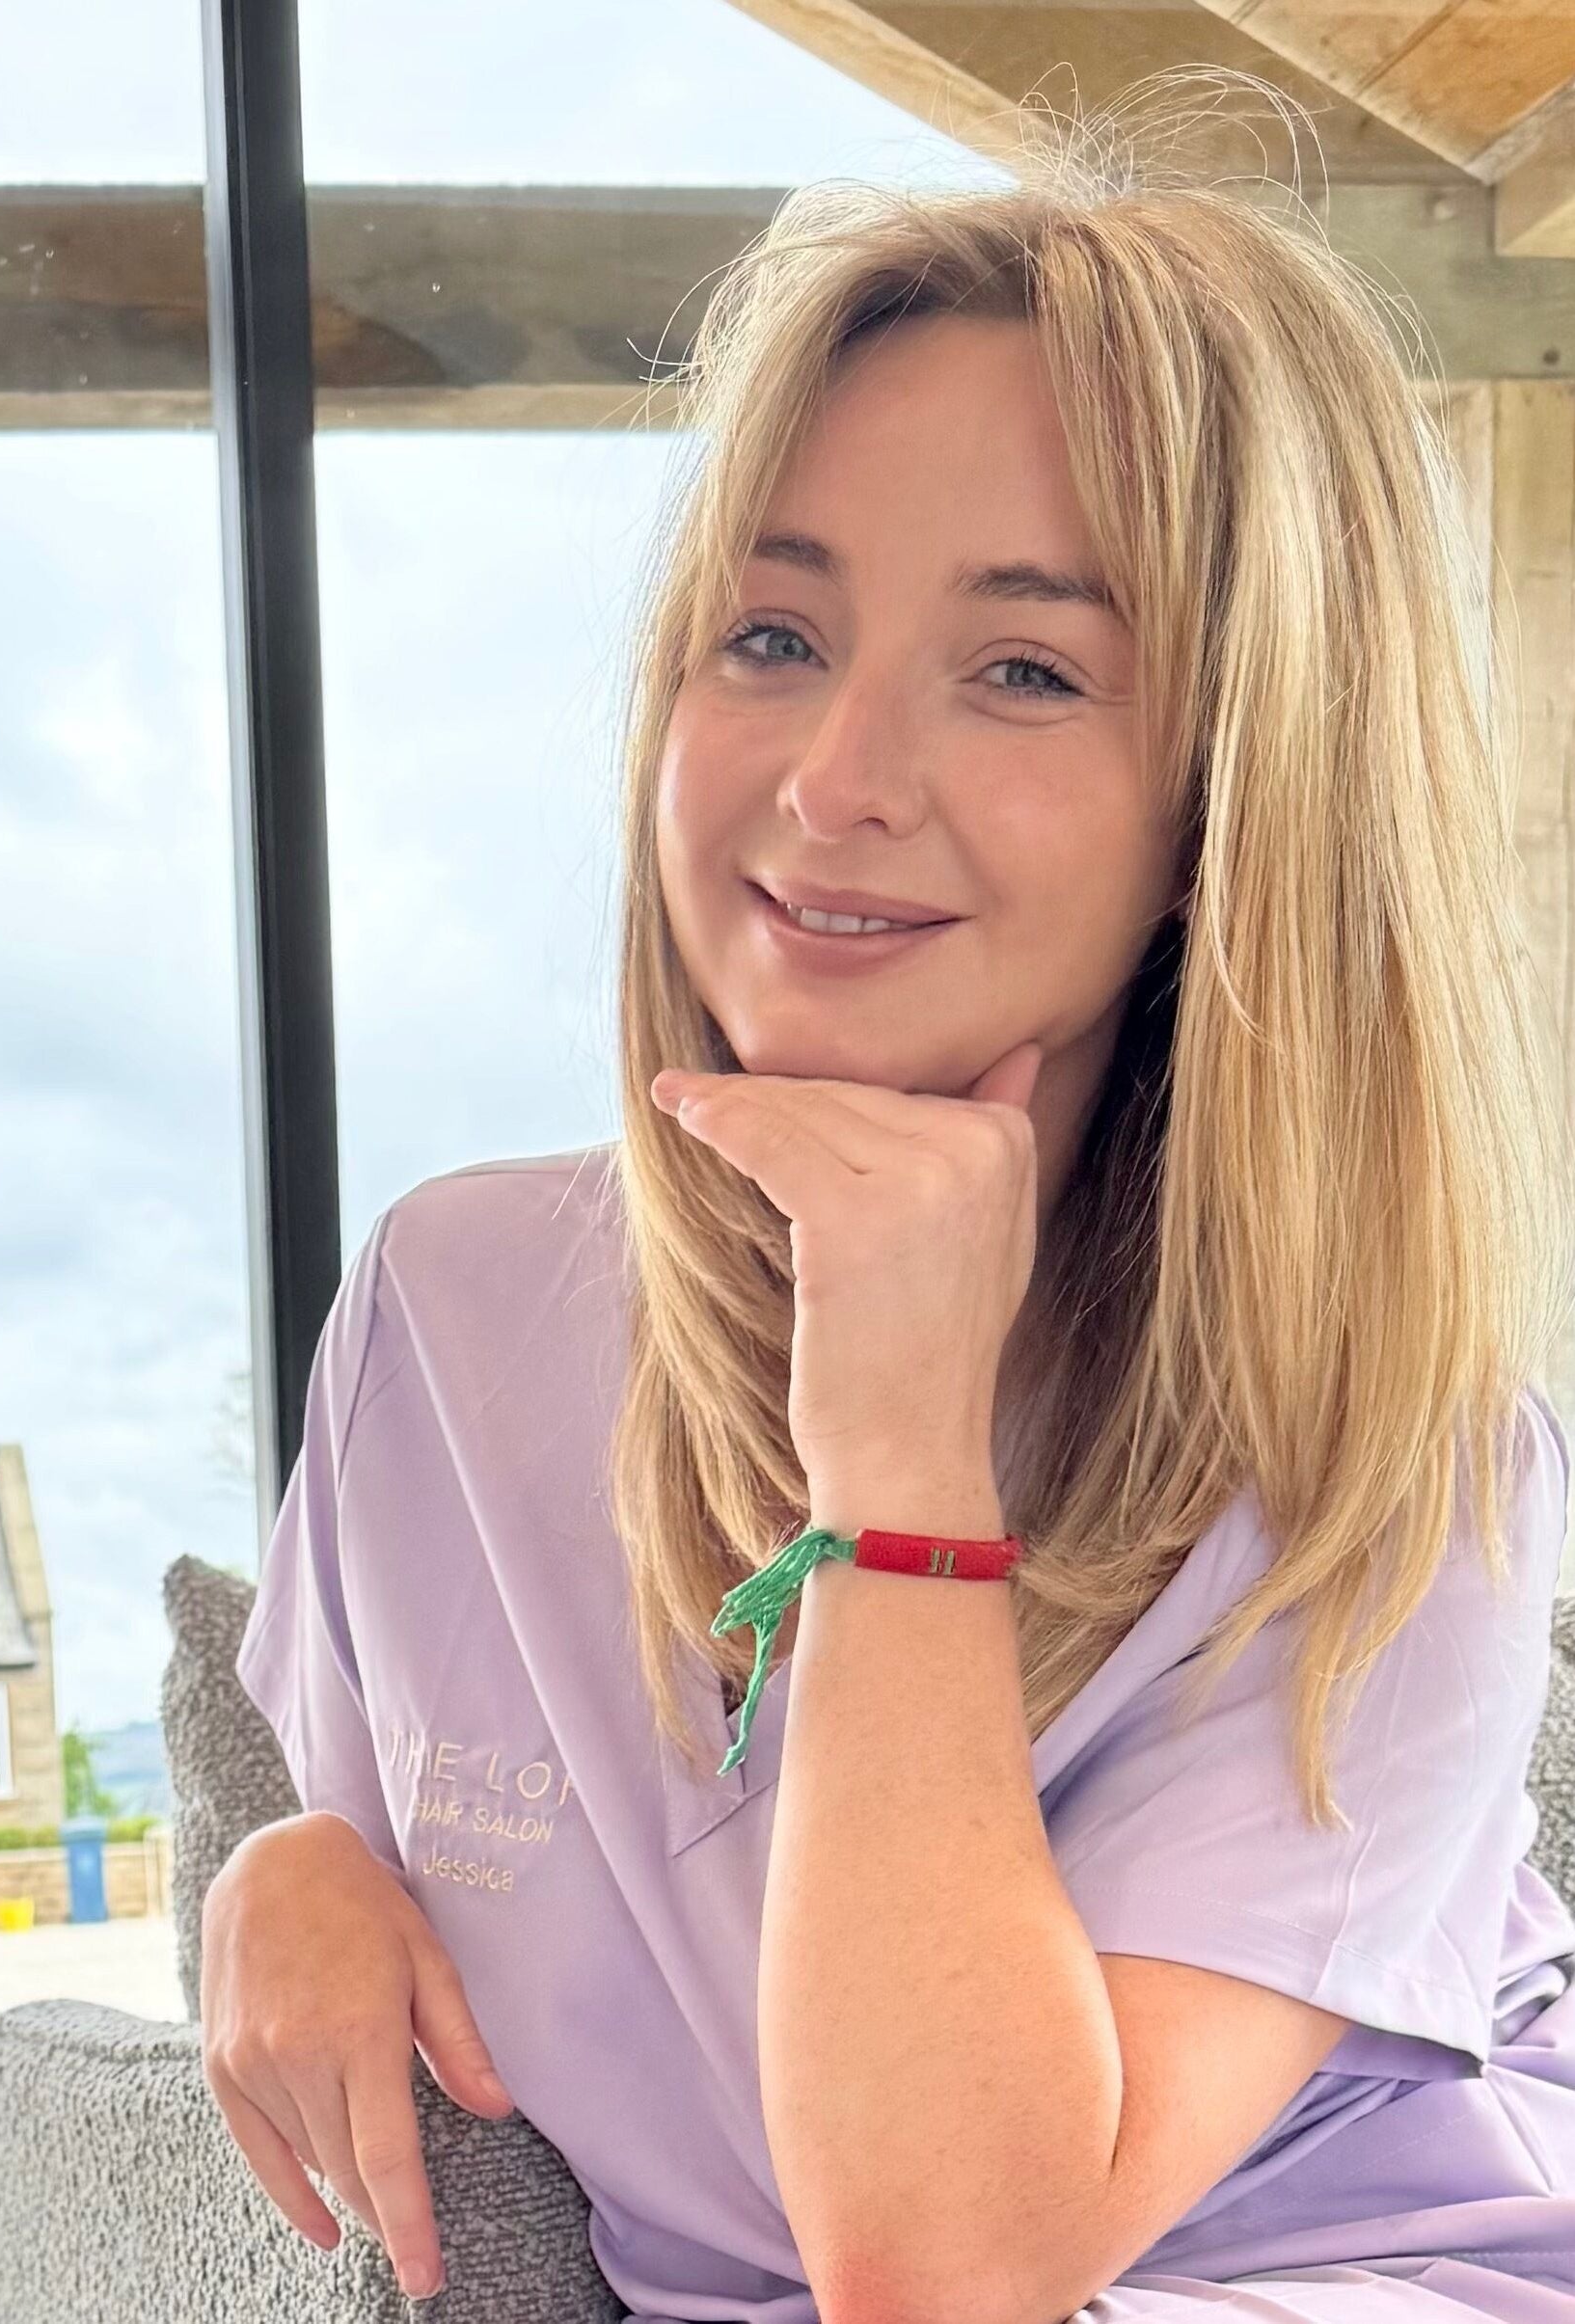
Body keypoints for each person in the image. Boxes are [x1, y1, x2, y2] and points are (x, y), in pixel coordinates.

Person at [207, 80, 1575, 2324]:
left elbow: (949, 2265)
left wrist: (902, 1461)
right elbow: (358, 1793)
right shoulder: (454, 1317)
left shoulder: (1388, 1467)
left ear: (1236, 800)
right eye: (769, 637)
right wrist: (282, 1864)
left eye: (1021, 669)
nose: (832, 783)